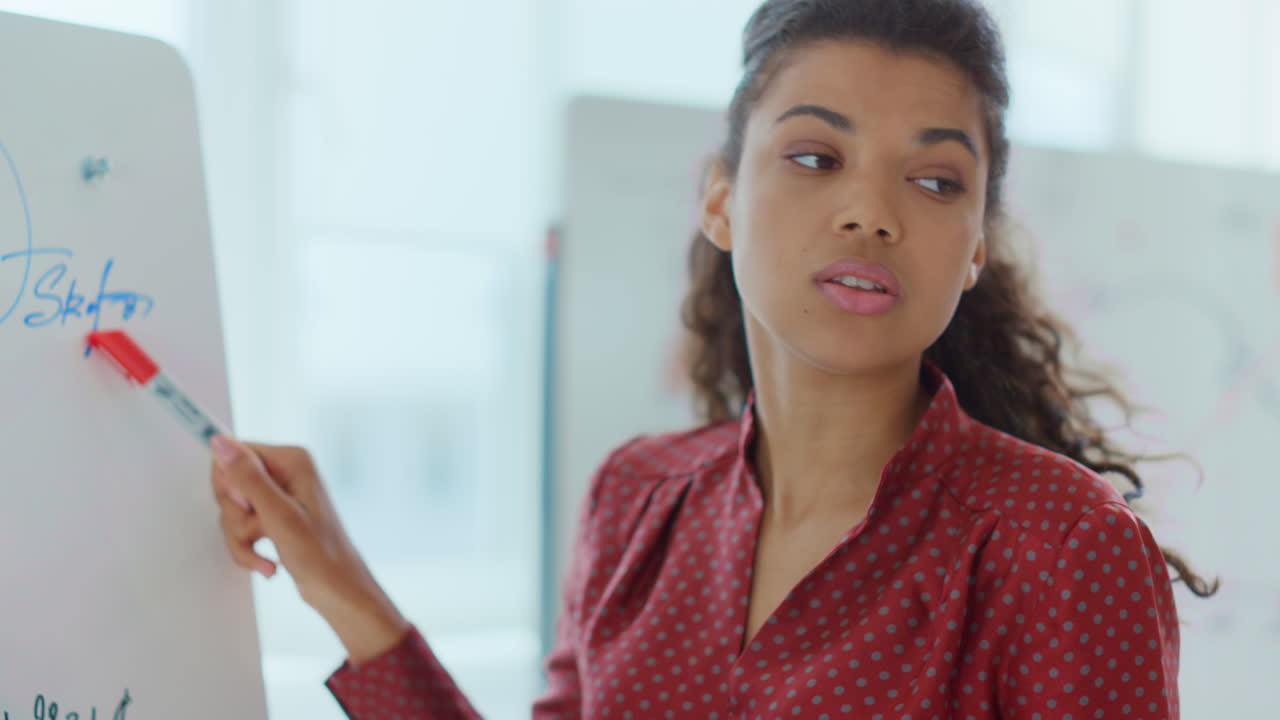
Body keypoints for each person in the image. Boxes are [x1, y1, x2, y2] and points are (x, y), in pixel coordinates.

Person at [209, 0, 1220, 717]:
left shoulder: (1060, 546)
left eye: (934, 179)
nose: (869, 210)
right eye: (814, 158)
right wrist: (340, 585)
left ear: (971, 253)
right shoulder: (634, 499)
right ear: (719, 200)